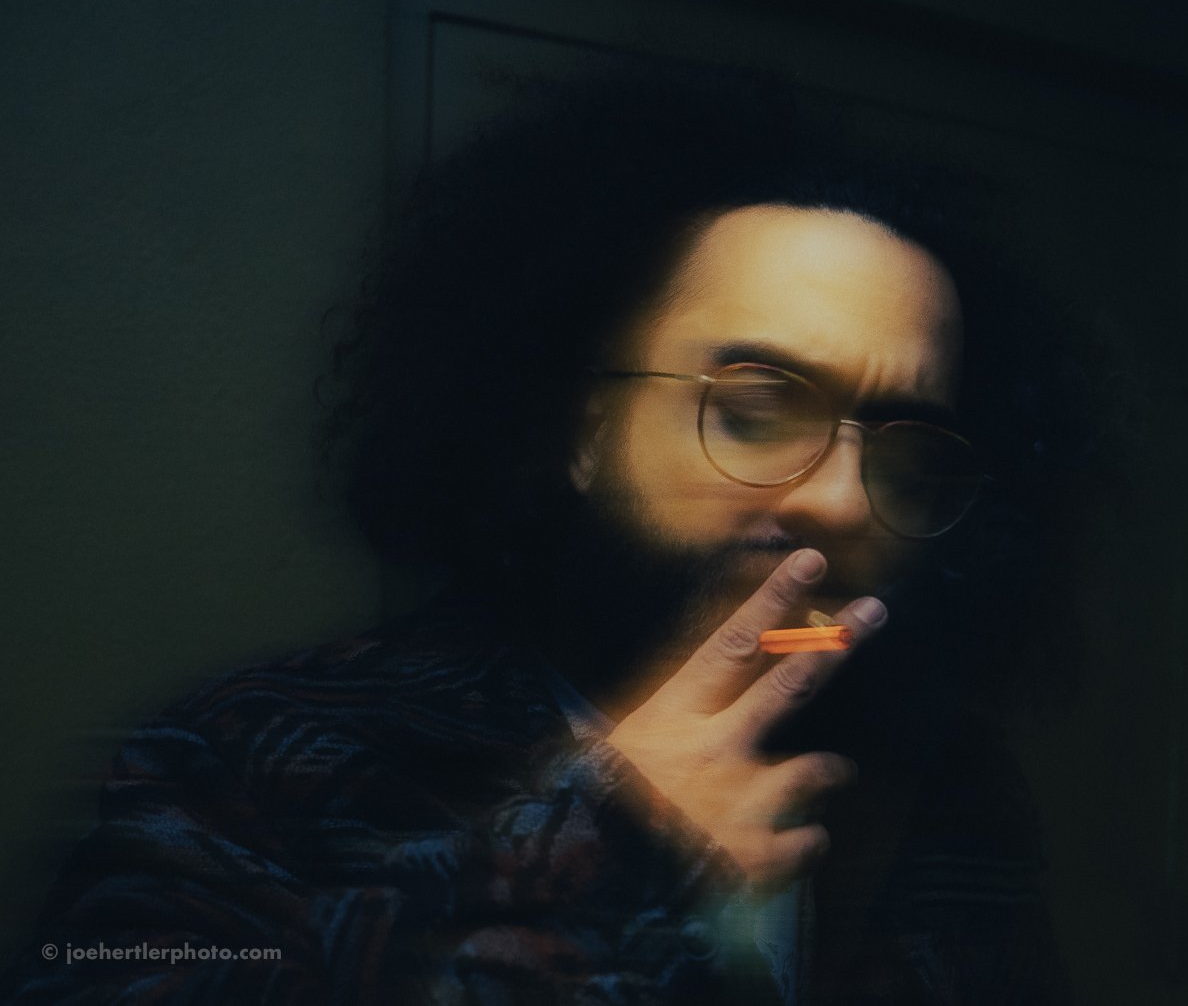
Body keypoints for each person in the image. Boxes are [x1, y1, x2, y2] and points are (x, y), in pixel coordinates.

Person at [3, 64, 1102, 1004]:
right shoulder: (243, 761)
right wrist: (595, 844)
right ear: (583, 429)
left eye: (906, 456)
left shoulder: (949, 788)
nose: (844, 501)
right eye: (757, 410)